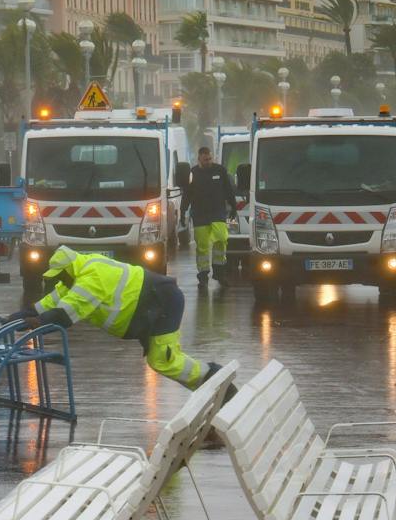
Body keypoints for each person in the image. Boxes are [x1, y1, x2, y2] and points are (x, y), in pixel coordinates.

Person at [13, 246, 229, 394]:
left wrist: (38, 323)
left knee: (163, 360)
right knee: (164, 360)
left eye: (60, 276)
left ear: (69, 269)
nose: (59, 281)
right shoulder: (75, 277)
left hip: (162, 303)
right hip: (152, 306)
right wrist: (16, 318)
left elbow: (63, 315)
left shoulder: (91, 278)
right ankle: (209, 389)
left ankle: (216, 382)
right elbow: (45, 306)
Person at [183, 144, 237, 287]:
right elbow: (187, 194)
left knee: (221, 238)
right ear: (199, 158)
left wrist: (234, 207)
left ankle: (219, 272)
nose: (208, 161)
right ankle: (203, 274)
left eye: (210, 159)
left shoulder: (220, 170)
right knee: (202, 246)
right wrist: (183, 211)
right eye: (205, 159)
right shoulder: (193, 173)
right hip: (200, 215)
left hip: (218, 212)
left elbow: (228, 190)